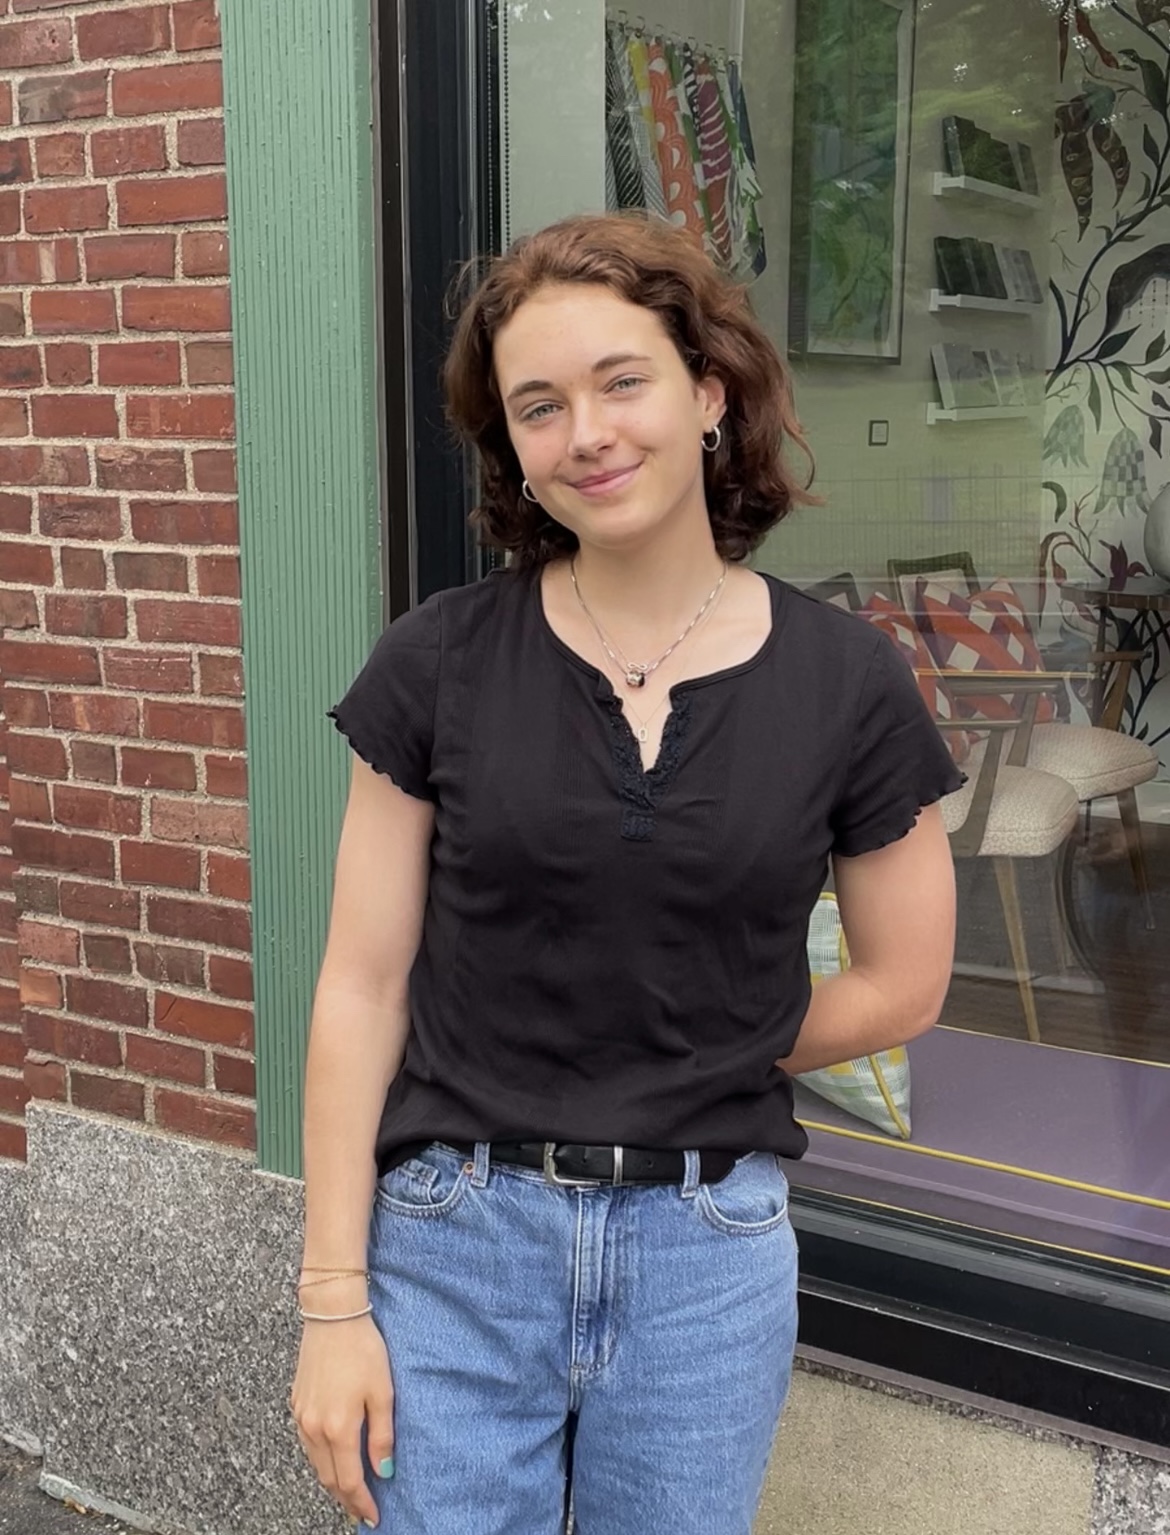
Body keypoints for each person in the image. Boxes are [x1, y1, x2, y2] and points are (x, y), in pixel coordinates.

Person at [289, 211, 962, 1535]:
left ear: (707, 393)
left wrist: (694, 1039)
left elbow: (900, 986)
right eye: (537, 407)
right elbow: (361, 990)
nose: (583, 433)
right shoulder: (436, 664)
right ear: (514, 452)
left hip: (703, 1263)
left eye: (619, 382)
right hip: (451, 1242)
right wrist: (331, 1302)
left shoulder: (847, 683)